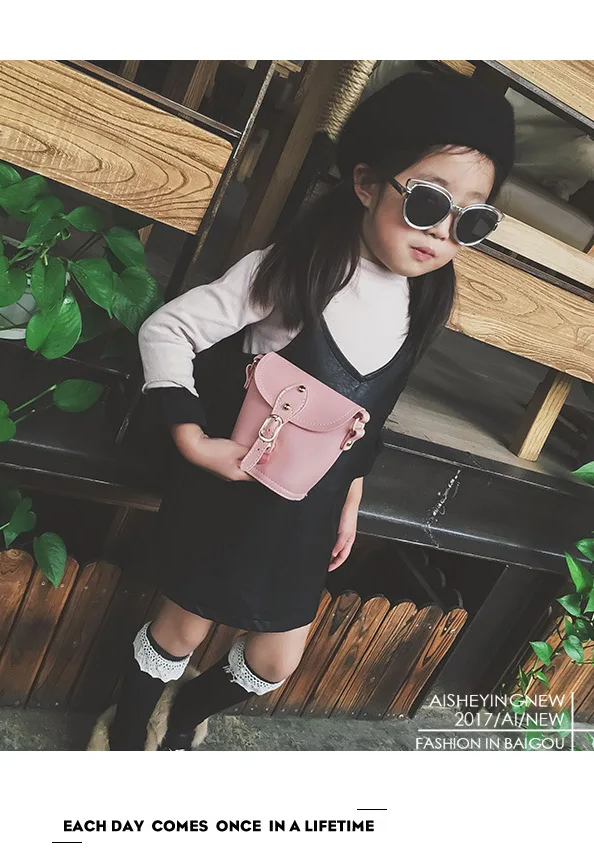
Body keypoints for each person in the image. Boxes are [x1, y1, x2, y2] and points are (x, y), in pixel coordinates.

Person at [98, 70, 515, 750]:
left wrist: (350, 499)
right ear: (366, 183)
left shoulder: (422, 301)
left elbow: (370, 414)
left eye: (471, 220)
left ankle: (183, 716)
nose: (443, 232)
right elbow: (168, 329)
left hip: (311, 510)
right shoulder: (296, 271)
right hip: (234, 494)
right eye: (427, 202)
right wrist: (193, 439)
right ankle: (126, 734)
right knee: (182, 630)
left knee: (276, 660)